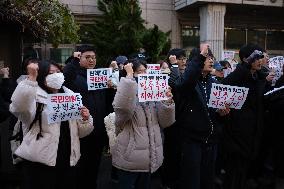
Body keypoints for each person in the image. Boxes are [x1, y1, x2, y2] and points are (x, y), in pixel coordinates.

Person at [9, 60, 93, 189]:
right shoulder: (34, 95)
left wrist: (85, 119)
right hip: (40, 163)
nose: (56, 75)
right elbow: (18, 108)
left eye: (58, 72)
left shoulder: (70, 96)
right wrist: (31, 79)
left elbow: (82, 133)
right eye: (51, 73)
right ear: (42, 76)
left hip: (68, 160)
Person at [112, 60, 175, 189]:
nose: (143, 74)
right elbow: (123, 109)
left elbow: (166, 122)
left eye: (145, 71)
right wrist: (128, 78)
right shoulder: (126, 93)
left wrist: (166, 102)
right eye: (139, 72)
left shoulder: (154, 94)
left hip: (150, 156)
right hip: (129, 157)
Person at [175, 44, 229, 189]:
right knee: (192, 181)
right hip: (192, 141)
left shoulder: (215, 83)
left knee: (207, 180)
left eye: (211, 57)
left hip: (211, 140)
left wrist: (222, 113)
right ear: (196, 61)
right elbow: (185, 83)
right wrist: (199, 57)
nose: (210, 60)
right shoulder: (188, 82)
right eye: (206, 57)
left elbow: (215, 110)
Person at [63, 45, 110, 189]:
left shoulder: (100, 76)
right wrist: (73, 61)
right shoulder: (74, 76)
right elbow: (65, 78)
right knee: (79, 169)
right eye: (87, 57)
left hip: (98, 131)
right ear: (79, 58)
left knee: (94, 167)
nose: (91, 60)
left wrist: (111, 88)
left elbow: (107, 102)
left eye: (94, 57)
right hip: (81, 132)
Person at [221, 44, 267, 189]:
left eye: (261, 57)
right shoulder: (238, 76)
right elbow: (224, 86)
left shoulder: (258, 76)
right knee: (234, 173)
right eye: (256, 58)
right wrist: (245, 66)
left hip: (252, 134)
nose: (260, 61)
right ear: (246, 59)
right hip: (237, 135)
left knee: (243, 173)